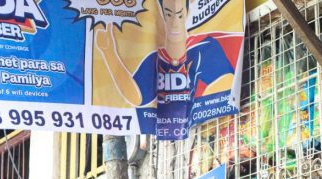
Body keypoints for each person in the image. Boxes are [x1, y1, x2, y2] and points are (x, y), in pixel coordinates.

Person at [94, 0, 238, 136]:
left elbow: (225, 82)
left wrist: (197, 113)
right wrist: (109, 53)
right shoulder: (155, 58)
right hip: (180, 137)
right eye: (168, 15)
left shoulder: (204, 47)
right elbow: (136, 97)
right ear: (161, 17)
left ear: (187, 14)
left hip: (211, 128)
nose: (174, 23)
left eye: (179, 15)